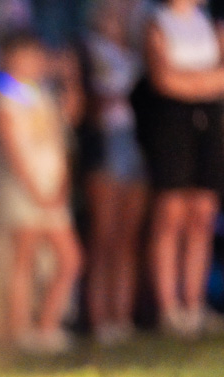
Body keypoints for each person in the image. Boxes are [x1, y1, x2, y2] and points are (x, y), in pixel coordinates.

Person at [0, 31, 83, 352]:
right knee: (24, 259)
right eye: (25, 56)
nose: (33, 63)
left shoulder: (39, 93)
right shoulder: (7, 94)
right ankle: (21, 331)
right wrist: (33, 189)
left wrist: (69, 78)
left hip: (52, 188)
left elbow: (68, 121)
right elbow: (11, 147)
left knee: (69, 259)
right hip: (24, 189)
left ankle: (47, 326)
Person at [136, 0, 224, 337]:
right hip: (170, 124)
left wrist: (188, 80)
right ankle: (169, 308)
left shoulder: (211, 21)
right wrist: (205, 81)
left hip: (209, 122)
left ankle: (194, 302)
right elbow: (164, 79)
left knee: (203, 212)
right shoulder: (155, 22)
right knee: (170, 214)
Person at [84, 0, 148, 345]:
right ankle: (100, 320)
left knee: (127, 240)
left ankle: (121, 318)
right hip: (106, 146)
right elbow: (92, 102)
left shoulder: (137, 51)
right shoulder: (85, 51)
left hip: (138, 145)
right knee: (104, 238)